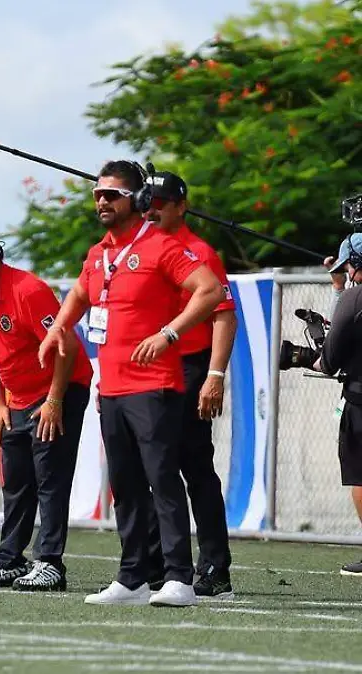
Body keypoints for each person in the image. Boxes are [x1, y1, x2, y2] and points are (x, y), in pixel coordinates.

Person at [39, 160, 223, 607]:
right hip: (113, 387)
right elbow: (80, 295)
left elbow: (210, 290)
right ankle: (133, 577)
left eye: (113, 194)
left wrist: (169, 334)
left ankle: (179, 576)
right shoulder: (99, 252)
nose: (102, 200)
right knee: (124, 484)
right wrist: (56, 329)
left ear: (138, 200)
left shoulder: (161, 245)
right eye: (98, 193)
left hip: (154, 385)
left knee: (163, 477)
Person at [0, 231, 93, 592]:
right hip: (15, 395)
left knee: (49, 477)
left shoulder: (27, 290)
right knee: (15, 479)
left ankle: (49, 563)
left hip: (58, 390)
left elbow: (66, 348)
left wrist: (55, 401)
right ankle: (10, 560)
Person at [144, 172, 238, 599]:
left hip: (189, 367)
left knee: (194, 466)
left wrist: (214, 377)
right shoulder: (137, 251)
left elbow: (223, 315)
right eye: (148, 200)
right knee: (152, 469)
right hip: (147, 369)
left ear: (181, 205)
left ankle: (215, 566)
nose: (153, 208)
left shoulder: (199, 252)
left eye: (162, 201)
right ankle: (162, 565)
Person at [319, 200, 362, 576]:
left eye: (349, 267)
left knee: (361, 476)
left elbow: (330, 358)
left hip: (361, 403)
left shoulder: (354, 296)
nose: (346, 273)